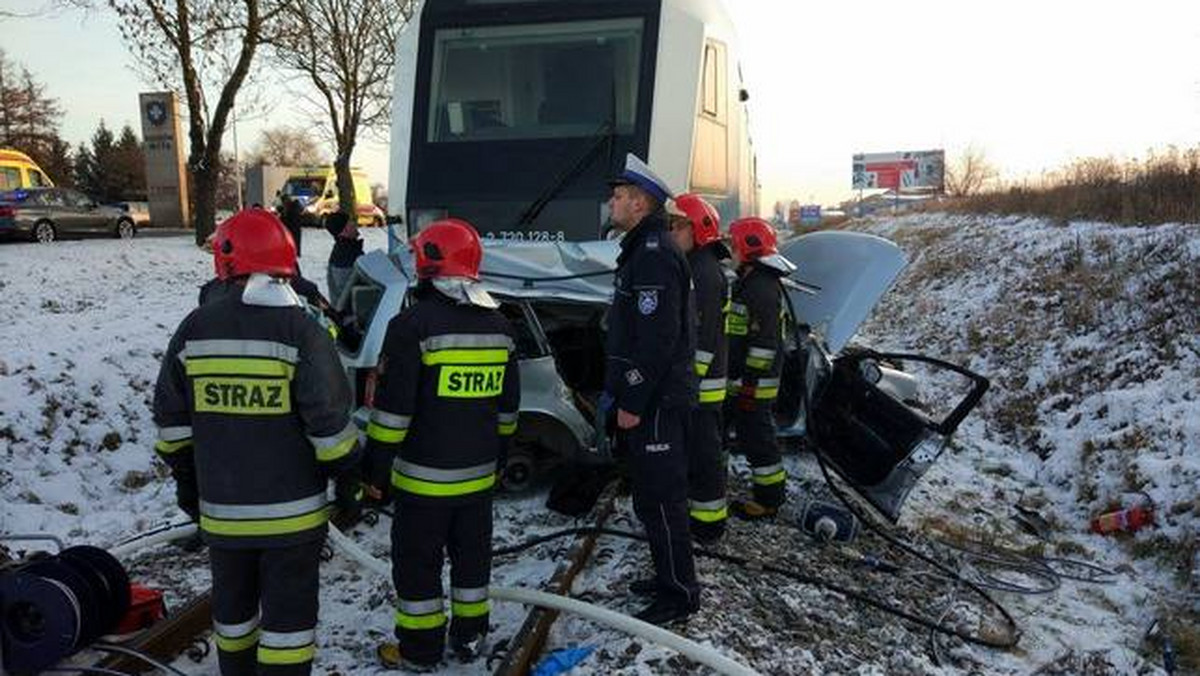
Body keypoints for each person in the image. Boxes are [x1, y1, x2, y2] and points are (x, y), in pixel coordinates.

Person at [152, 209, 362, 676]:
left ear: (225, 263)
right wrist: (350, 478)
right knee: (288, 628)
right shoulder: (301, 330)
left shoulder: (194, 329)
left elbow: (170, 422)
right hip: (293, 520)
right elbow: (330, 426)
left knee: (233, 618)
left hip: (224, 517)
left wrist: (188, 481)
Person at [364, 219, 520, 671]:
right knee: (473, 563)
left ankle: (419, 650)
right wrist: (499, 456)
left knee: (418, 568)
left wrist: (376, 471)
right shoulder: (501, 328)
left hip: (423, 485)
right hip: (478, 480)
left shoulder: (410, 326)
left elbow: (393, 414)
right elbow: (508, 409)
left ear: (424, 265)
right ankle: (470, 638)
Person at [604, 153, 700, 625]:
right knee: (649, 498)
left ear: (640, 203)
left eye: (619, 196)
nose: (612, 202)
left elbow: (657, 341)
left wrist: (633, 401)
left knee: (663, 500)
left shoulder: (654, 255)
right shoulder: (643, 249)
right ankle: (667, 578)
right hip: (651, 399)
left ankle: (680, 594)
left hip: (657, 402)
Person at [667, 194, 730, 543]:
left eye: (677, 226)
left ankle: (708, 525)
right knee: (696, 453)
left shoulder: (703, 274)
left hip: (702, 389)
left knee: (704, 455)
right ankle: (697, 514)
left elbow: (702, 340)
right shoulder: (695, 266)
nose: (671, 232)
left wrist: (687, 382)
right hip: (698, 385)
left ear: (698, 229)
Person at [725, 217, 796, 519]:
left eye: (734, 244)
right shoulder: (752, 282)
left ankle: (769, 500)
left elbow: (765, 344)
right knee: (746, 434)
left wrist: (750, 382)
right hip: (745, 380)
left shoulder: (762, 288)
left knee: (759, 439)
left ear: (748, 247)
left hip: (755, 383)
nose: (731, 250)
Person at [324, 210, 362, 306]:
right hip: (352, 316)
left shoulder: (348, 249)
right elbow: (348, 293)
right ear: (344, 230)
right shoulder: (345, 256)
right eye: (350, 222)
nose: (354, 224)